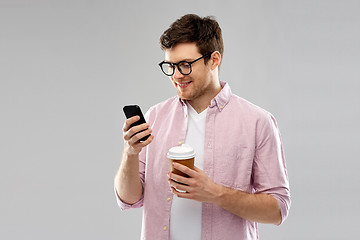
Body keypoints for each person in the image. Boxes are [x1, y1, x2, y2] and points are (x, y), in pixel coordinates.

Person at [114, 14, 290, 240]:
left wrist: (215, 193)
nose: (177, 76)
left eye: (185, 65)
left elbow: (277, 210)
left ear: (214, 60)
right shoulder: (155, 117)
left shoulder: (257, 122)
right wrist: (130, 152)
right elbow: (129, 199)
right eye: (171, 66)